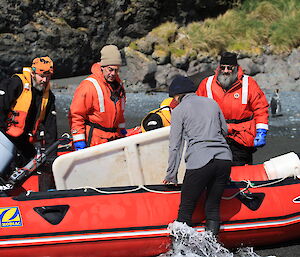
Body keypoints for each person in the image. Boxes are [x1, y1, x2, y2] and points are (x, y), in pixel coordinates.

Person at [163, 75, 232, 235]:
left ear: (178, 96)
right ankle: (212, 247)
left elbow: (175, 146)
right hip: (224, 159)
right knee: (213, 207)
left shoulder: (179, 110)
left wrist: (171, 175)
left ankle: (182, 250)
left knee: (186, 209)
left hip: (200, 162)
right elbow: (225, 131)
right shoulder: (212, 103)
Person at [196, 52, 269, 166]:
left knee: (241, 169)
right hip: (215, 136)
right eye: (223, 67)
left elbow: (261, 109)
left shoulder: (249, 84)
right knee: (216, 169)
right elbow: (196, 109)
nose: (225, 71)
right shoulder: (207, 84)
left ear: (236, 68)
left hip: (241, 137)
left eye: (229, 68)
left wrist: (261, 131)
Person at [0, 56, 57, 179]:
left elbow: (50, 128)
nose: (45, 80)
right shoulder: (16, 83)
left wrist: (52, 156)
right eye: (41, 76)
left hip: (24, 141)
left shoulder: (49, 97)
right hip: (5, 135)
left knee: (34, 162)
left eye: (48, 77)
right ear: (33, 73)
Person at [69, 45, 126, 150]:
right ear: (102, 67)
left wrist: (122, 131)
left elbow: (120, 113)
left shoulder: (119, 86)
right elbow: (76, 115)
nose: (113, 74)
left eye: (116, 70)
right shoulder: (88, 86)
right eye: (110, 69)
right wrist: (79, 141)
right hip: (94, 140)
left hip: (114, 138)